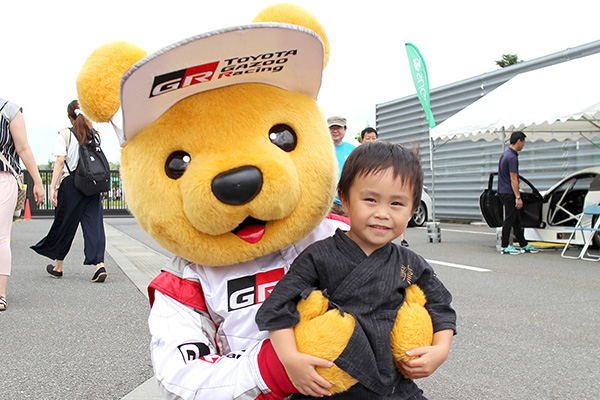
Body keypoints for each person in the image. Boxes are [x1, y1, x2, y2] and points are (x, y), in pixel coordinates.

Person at [256, 141, 456, 399]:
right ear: (346, 199)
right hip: (328, 386)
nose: (382, 213)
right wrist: (290, 359)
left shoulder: (410, 264)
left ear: (412, 209)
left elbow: (441, 306)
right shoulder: (319, 256)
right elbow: (278, 308)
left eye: (397, 204)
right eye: (370, 200)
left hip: (395, 388)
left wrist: (440, 350)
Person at [31, 100, 107, 282]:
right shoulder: (95, 135)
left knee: (65, 225)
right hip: (92, 186)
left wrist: (53, 186)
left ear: (69, 116)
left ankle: (58, 266)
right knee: (94, 224)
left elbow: (59, 161)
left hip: (71, 185)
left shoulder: (65, 134)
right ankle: (99, 265)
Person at [0, 98, 45, 311]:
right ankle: (0, 294)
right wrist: (37, 181)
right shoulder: (9, 110)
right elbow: (23, 148)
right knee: (1, 237)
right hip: (3, 178)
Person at [359, 127, 409, 247]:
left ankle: (402, 239)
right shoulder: (359, 157)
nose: (371, 141)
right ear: (362, 140)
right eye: (368, 138)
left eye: (373, 138)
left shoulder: (383, 156)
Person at [497, 131, 538, 255]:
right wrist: (518, 196)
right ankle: (505, 245)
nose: (523, 145)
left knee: (516, 219)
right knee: (509, 219)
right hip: (509, 192)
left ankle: (523, 243)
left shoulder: (505, 155)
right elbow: (513, 178)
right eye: (523, 142)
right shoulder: (512, 157)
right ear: (519, 141)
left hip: (502, 190)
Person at [328, 116, 356, 216]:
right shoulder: (322, 150)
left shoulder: (353, 150)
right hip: (329, 203)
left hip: (348, 201)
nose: (335, 131)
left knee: (349, 230)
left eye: (338, 128)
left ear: (345, 129)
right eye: (332, 128)